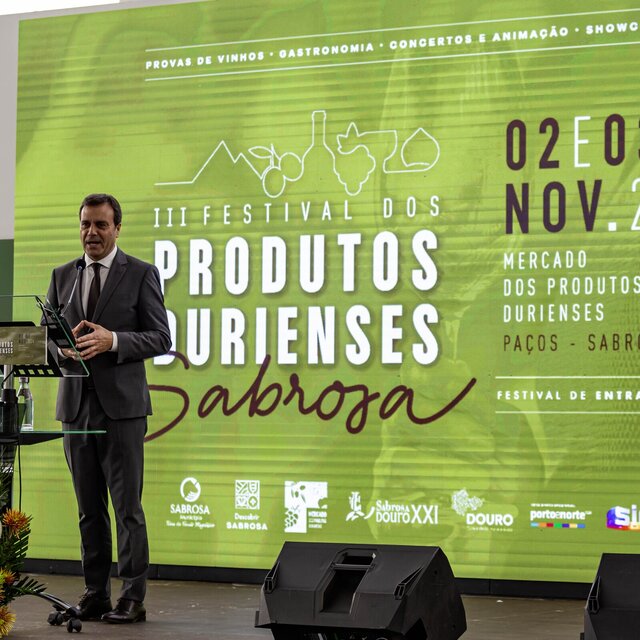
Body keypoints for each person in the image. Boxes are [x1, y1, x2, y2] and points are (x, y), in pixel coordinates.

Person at [45, 193, 171, 624]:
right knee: (88, 509)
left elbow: (161, 337)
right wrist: (60, 351)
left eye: (101, 225)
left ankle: (132, 597)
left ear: (117, 228)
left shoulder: (141, 273)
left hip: (121, 411)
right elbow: (47, 338)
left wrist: (112, 340)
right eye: (85, 224)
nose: (92, 233)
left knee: (127, 509)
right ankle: (95, 593)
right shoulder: (62, 275)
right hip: (75, 407)